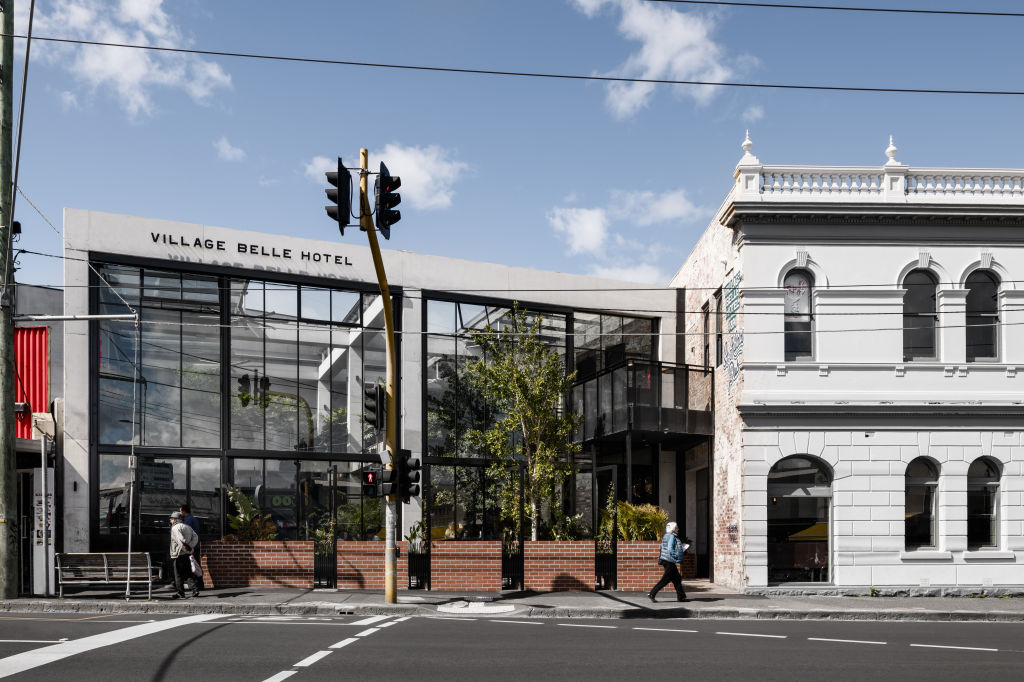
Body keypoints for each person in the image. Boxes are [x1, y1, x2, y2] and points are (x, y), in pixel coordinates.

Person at [648, 521, 687, 603]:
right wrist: (676, 555)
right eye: (677, 528)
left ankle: (681, 597)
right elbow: (670, 548)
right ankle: (652, 593)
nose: (678, 529)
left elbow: (663, 547)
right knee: (665, 579)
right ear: (673, 529)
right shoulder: (672, 536)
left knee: (677, 578)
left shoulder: (666, 536)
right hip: (669, 560)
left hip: (666, 560)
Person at [169, 511, 200, 599]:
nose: (170, 520)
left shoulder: (175, 528)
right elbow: (196, 537)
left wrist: (186, 549)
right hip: (187, 553)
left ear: (175, 520)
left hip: (178, 554)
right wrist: (191, 547)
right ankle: (195, 589)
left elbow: (181, 540)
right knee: (188, 572)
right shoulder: (188, 527)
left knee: (178, 574)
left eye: (171, 519)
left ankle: (180, 592)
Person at [179, 503, 203, 592]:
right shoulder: (194, 519)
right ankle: (200, 584)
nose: (180, 512)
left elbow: (187, 534)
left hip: (191, 546)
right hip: (196, 545)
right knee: (196, 565)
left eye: (180, 511)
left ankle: (197, 585)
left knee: (192, 566)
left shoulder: (187, 520)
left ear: (184, 511)